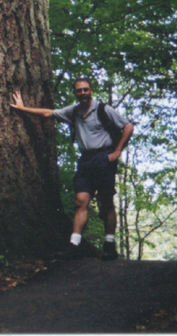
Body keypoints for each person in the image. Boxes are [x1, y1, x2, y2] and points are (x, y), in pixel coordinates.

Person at [11, 77, 133, 260]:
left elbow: (128, 127)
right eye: (79, 90)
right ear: (74, 93)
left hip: (103, 159)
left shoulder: (103, 109)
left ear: (91, 91)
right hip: (85, 160)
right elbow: (48, 113)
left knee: (106, 202)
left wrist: (117, 151)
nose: (82, 93)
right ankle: (74, 245)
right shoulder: (74, 111)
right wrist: (22, 108)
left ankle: (109, 245)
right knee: (80, 201)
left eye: (85, 90)